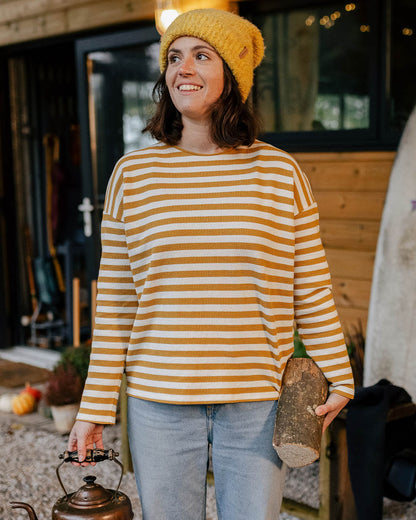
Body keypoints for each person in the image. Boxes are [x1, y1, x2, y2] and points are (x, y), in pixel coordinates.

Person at [68, 8, 355, 519]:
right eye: (174, 58)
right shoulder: (132, 176)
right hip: (158, 403)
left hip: (257, 402)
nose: (183, 69)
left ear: (233, 74)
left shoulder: (280, 174)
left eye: (202, 56)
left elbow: (310, 286)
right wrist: (94, 407)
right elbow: (115, 303)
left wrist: (339, 374)